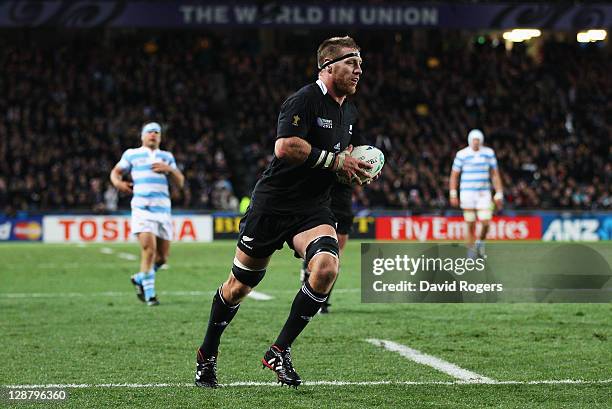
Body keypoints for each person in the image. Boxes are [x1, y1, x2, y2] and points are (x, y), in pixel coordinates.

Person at [194, 36, 371, 388]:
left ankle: (279, 350)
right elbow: (286, 147)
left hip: (312, 208)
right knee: (239, 287)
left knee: (326, 267)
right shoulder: (303, 100)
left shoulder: (348, 111)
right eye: (352, 62)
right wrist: (337, 160)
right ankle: (207, 354)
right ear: (328, 67)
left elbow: (336, 158)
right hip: (272, 205)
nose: (359, 69)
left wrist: (351, 168)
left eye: (360, 63)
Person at [110, 122, 185, 306]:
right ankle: (150, 295)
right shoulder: (132, 154)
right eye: (149, 132)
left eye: (157, 132)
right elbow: (115, 172)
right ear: (142, 136)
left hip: (163, 211)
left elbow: (180, 182)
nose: (153, 134)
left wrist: (170, 170)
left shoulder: (166, 157)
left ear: (160, 137)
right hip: (142, 209)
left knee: (162, 258)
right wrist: (118, 184)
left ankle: (139, 278)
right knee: (149, 250)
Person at [449, 129, 503, 257]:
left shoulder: (489, 153)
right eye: (474, 140)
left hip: (483, 193)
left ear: (481, 141)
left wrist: (499, 192)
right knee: (470, 223)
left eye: (478, 140)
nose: (476, 143)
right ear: (469, 141)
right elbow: (454, 175)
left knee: (486, 221)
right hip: (467, 194)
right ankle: (471, 251)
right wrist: (453, 193)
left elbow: (495, 174)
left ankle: (480, 243)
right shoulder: (462, 154)